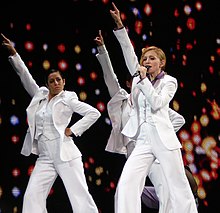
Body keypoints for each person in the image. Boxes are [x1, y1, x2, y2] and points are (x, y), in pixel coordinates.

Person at [107, 2, 198, 213]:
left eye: (152, 58)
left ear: (161, 63)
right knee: (127, 184)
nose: (147, 61)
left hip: (164, 139)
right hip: (143, 140)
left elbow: (157, 103)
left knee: (178, 185)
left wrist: (144, 80)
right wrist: (120, 26)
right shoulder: (139, 81)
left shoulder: (169, 81)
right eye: (144, 58)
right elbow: (129, 55)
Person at [1, 33, 100, 213]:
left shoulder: (68, 98)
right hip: (45, 156)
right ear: (47, 83)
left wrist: (73, 130)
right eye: (52, 81)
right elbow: (25, 75)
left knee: (80, 196)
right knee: (32, 196)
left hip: (66, 155)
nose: (55, 83)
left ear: (64, 82)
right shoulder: (40, 96)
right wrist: (14, 53)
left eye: (58, 80)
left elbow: (94, 113)